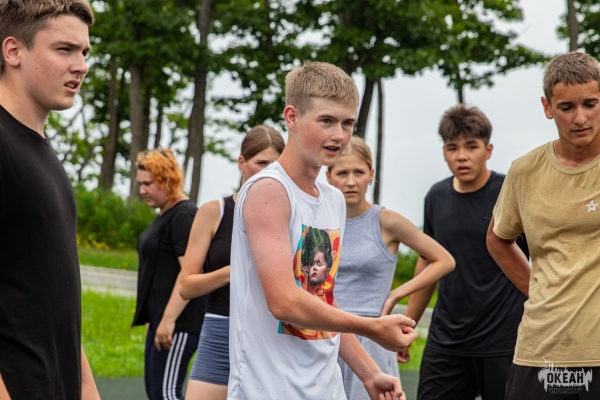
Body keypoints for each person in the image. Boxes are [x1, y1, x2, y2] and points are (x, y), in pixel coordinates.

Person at [228, 61, 418, 400]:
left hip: (326, 389)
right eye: (327, 121)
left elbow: (321, 297)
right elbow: (285, 302)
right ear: (292, 117)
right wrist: (371, 327)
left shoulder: (332, 199)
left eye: (347, 123)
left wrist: (370, 373)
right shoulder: (269, 190)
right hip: (269, 390)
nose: (339, 136)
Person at [0, 1, 100, 398]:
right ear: (13, 51)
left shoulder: (42, 151)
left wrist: (87, 388)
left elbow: (53, 297)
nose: (82, 66)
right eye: (65, 49)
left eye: (84, 52)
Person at [487, 51, 600, 399]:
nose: (580, 118)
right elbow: (498, 239)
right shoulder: (525, 171)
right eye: (566, 107)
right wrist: (537, 289)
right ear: (547, 107)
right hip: (543, 350)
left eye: (590, 104)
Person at [403, 104, 529, 400]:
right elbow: (427, 263)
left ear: (488, 150)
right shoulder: (436, 197)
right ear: (444, 152)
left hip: (505, 341)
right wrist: (408, 326)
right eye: (452, 148)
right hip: (447, 341)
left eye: (471, 146)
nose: (462, 156)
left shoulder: (510, 192)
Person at [326, 136, 455, 400]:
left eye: (359, 172)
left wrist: (397, 294)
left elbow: (444, 260)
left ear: (371, 174)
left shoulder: (386, 221)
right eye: (342, 173)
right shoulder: (320, 220)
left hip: (372, 339)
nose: (351, 181)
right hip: (327, 334)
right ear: (328, 176)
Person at [178, 125, 284, 400]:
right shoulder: (215, 212)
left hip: (270, 335)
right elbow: (186, 287)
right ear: (241, 163)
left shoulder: (290, 215)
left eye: (275, 166)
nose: (268, 173)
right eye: (261, 163)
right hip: (220, 330)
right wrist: (235, 271)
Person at [132, 148, 208, 400]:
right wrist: (154, 319)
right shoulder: (164, 215)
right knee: (156, 392)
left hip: (180, 322)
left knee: (166, 394)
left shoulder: (183, 215)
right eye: (140, 184)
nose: (143, 190)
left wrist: (168, 319)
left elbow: (190, 272)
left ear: (167, 180)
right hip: (161, 321)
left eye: (148, 183)